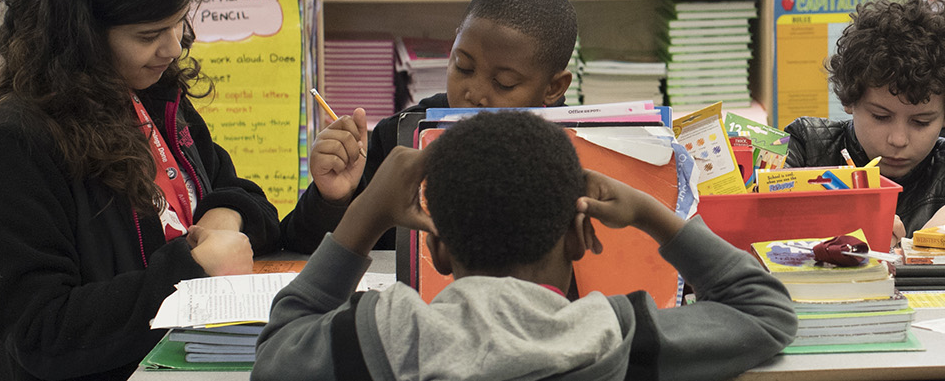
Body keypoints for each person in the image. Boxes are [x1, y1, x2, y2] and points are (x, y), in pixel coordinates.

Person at [0, 0, 365, 381]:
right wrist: (189, 270)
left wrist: (311, 202)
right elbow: (41, 333)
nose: (171, 48)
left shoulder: (148, 92)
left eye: (180, 22)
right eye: (147, 34)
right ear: (78, 32)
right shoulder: (3, 148)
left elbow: (246, 213)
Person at [253, 111, 797, 380]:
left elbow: (277, 350)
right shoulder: (609, 335)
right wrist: (653, 213)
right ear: (581, 239)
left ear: (437, 251)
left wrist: (364, 215)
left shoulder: (385, 335)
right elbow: (765, 311)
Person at [279, 0, 579, 253]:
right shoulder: (402, 138)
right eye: (463, 66)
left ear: (553, 87)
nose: (474, 92)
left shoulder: (584, 148)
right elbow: (300, 247)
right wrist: (335, 199)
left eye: (504, 83)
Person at [784, 0, 945, 239]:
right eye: (881, 117)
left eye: (921, 122)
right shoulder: (807, 145)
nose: (899, 140)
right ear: (850, 100)